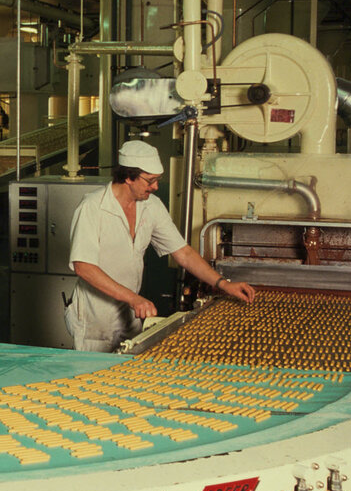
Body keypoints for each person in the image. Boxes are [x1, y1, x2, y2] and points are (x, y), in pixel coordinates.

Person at [64, 139, 256, 352]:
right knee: (94, 381)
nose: (155, 187)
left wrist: (222, 283)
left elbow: (182, 252)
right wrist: (134, 298)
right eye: (150, 181)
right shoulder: (92, 208)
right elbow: (84, 267)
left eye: (158, 180)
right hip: (94, 319)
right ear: (128, 177)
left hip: (130, 316)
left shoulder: (151, 206)